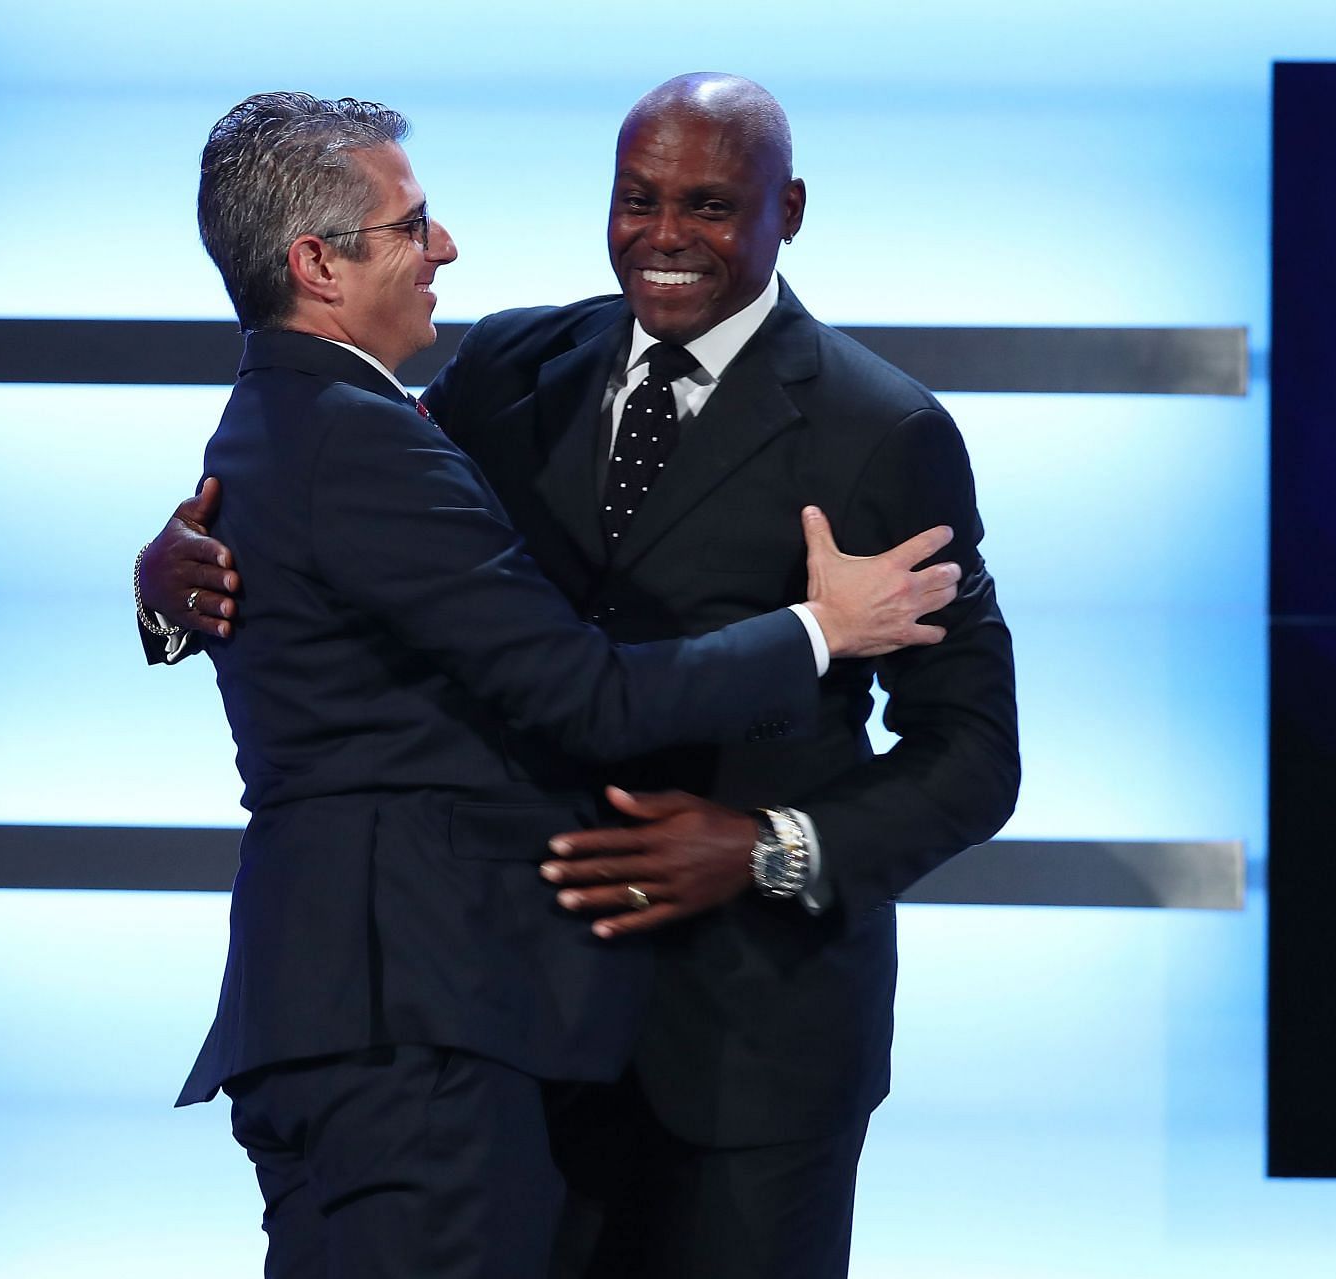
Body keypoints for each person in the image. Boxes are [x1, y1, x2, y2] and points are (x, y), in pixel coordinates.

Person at [153, 90, 966, 1279]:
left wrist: (765, 846)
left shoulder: (881, 429)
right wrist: (161, 576)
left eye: (707, 205)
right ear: (320, 262)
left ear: (786, 212)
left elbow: (973, 755)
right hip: (477, 1019)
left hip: (745, 1042)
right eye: (637, 201)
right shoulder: (504, 370)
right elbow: (338, 520)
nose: (664, 233)